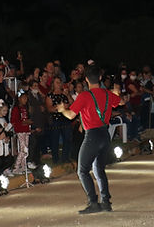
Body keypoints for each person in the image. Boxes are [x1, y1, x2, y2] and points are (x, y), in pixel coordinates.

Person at [56, 65, 122, 214]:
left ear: (86, 79)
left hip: (92, 135)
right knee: (99, 169)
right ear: (100, 77)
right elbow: (119, 101)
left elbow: (71, 115)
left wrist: (62, 110)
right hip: (105, 134)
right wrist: (116, 92)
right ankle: (106, 202)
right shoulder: (107, 94)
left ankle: (93, 202)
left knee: (82, 170)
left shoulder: (84, 96)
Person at [46, 78, 74, 163]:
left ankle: (65, 157)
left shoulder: (64, 94)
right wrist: (60, 107)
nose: (59, 84)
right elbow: (49, 108)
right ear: (53, 84)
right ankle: (55, 158)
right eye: (57, 82)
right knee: (55, 139)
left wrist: (68, 95)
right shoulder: (50, 95)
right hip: (56, 119)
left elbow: (72, 103)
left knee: (67, 138)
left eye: (60, 82)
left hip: (65, 118)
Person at [11, 92, 32, 174]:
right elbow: (13, 121)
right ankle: (16, 167)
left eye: (26, 98)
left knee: (26, 149)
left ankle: (23, 167)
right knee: (22, 150)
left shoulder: (25, 108)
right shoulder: (16, 109)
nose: (25, 100)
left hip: (26, 131)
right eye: (24, 98)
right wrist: (23, 123)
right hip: (20, 131)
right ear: (19, 99)